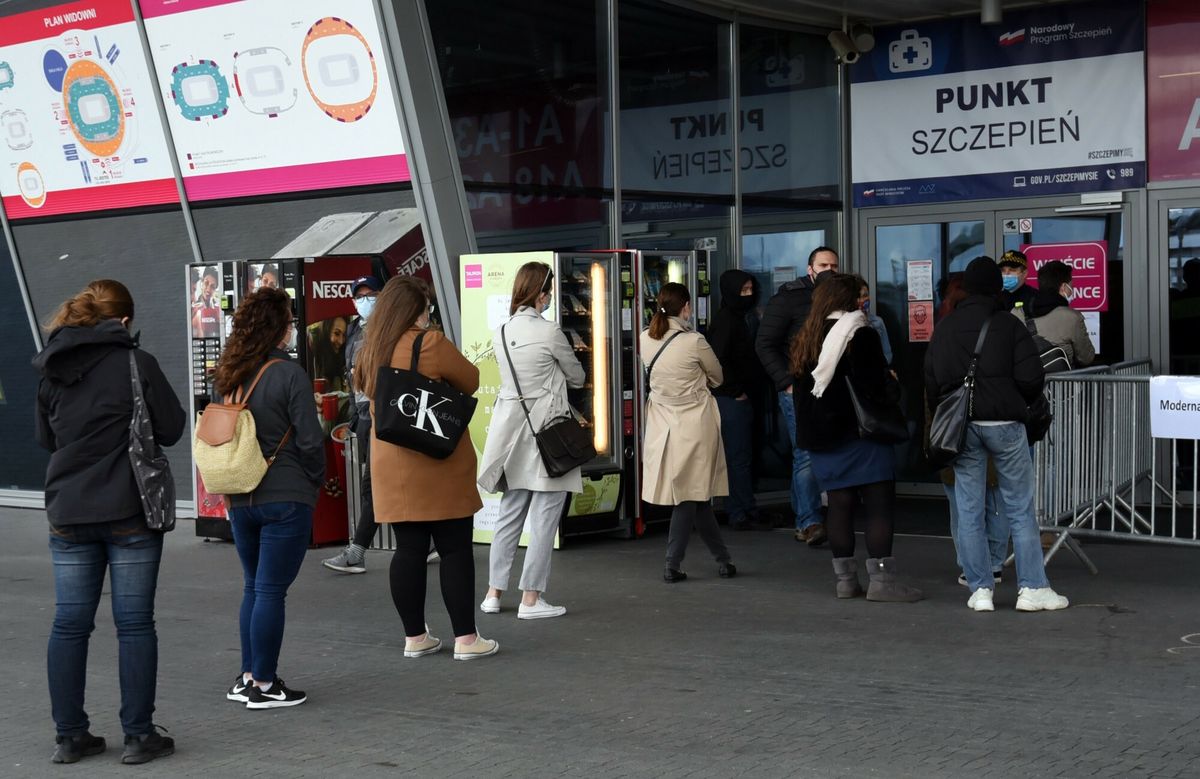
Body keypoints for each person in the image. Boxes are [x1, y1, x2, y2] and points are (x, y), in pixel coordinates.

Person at [33, 279, 185, 764]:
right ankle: (140, 736)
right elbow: (172, 428)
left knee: (70, 624)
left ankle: (70, 737)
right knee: (135, 623)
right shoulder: (137, 365)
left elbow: (46, 439)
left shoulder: (51, 367)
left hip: (69, 513)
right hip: (130, 512)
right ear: (122, 322)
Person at [356, 276, 498, 659]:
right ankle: (466, 640)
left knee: (409, 550)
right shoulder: (429, 342)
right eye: (426, 308)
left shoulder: (371, 348)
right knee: (454, 550)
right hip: (438, 460)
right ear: (415, 311)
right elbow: (470, 380)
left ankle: (415, 637)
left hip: (393, 465)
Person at [925, 257, 1069, 613]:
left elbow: (931, 380)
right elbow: (1033, 378)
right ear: (995, 287)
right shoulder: (1009, 325)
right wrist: (1015, 401)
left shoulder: (945, 327)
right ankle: (1033, 588)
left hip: (964, 428)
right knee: (1019, 508)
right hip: (1005, 425)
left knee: (969, 510)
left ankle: (980, 590)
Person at [214, 287, 326, 709]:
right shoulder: (289, 373)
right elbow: (311, 440)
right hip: (285, 494)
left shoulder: (228, 374)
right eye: (291, 321)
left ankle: (247, 676)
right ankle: (264, 684)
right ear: (280, 328)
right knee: (271, 591)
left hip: (240, 495)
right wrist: (313, 482)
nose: (294, 328)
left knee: (254, 586)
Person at [790, 274, 923, 602]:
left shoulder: (807, 335)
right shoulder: (859, 333)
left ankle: (845, 581)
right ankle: (882, 582)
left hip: (823, 438)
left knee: (839, 504)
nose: (864, 302)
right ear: (848, 299)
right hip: (861, 435)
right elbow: (874, 387)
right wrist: (892, 383)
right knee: (878, 505)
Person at [477, 262, 586, 618]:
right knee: (545, 518)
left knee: (509, 514)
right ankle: (531, 599)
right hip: (548, 431)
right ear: (541, 293)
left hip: (512, 434)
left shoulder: (501, 330)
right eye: (550, 290)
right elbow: (577, 376)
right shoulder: (550, 331)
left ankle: (493, 593)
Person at [641, 282, 735, 583]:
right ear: (686, 307)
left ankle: (724, 559)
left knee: (696, 496)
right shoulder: (695, 341)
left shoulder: (645, 338)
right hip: (695, 424)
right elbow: (718, 377)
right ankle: (672, 564)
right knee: (689, 495)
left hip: (661, 425)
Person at [755, 246, 839, 545]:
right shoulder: (789, 298)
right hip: (798, 388)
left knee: (809, 452)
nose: (829, 270)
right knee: (805, 452)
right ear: (810, 269)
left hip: (829, 387)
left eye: (834, 265)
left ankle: (804, 515)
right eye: (823, 264)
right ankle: (809, 521)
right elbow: (765, 343)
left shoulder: (838, 299)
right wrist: (786, 382)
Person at [323, 277, 385, 573]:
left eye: (371, 294)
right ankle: (431, 542)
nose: (365, 300)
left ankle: (357, 551)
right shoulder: (354, 330)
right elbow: (351, 375)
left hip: (383, 413)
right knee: (378, 482)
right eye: (359, 296)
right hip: (363, 414)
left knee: (373, 484)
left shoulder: (389, 328)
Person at [706, 269, 771, 531]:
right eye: (743, 291)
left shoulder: (741, 318)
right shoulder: (727, 321)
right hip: (732, 399)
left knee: (742, 455)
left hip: (741, 396)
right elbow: (717, 361)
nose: (749, 295)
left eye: (750, 290)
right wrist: (734, 390)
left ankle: (744, 508)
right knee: (738, 457)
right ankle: (741, 511)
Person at [1028, 260, 1095, 369]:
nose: (1072, 291)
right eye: (1071, 286)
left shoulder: (1023, 312)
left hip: (1032, 382)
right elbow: (1086, 358)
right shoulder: (1072, 317)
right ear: (1063, 287)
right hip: (1063, 384)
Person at [854, 275, 893, 366]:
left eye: (865, 295)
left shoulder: (878, 322)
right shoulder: (844, 324)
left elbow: (887, 354)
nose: (862, 300)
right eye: (858, 296)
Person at [308, 316, 349, 393]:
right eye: (336, 333)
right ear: (326, 330)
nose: (341, 341)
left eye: (344, 335)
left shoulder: (343, 354)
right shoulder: (311, 353)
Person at [998, 249, 1036, 314]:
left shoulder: (1035, 297)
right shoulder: (996, 299)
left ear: (1024, 273)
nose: (1006, 273)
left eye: (1012, 270)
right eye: (1003, 270)